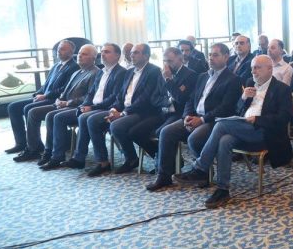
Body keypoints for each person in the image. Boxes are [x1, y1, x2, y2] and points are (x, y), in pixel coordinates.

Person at [172, 55, 293, 208]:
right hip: (243, 128)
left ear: (270, 69)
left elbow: (284, 118)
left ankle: (200, 168)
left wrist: (257, 119)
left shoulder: (282, 89)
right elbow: (237, 110)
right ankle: (223, 189)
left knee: (221, 125)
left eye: (257, 68)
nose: (253, 72)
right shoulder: (250, 83)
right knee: (225, 140)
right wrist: (243, 98)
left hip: (265, 132)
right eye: (252, 68)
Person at [146, 43, 241, 190]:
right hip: (194, 116)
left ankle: (202, 173)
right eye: (210, 55)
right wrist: (187, 116)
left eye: (215, 55)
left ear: (226, 57)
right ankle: (164, 176)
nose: (211, 58)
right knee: (166, 131)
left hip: (214, 121)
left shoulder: (233, 79)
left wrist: (202, 120)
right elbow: (190, 99)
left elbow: (225, 108)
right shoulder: (203, 76)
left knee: (195, 138)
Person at [86, 44, 165, 177]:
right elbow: (120, 96)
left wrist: (122, 113)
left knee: (116, 126)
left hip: (143, 111)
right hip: (125, 109)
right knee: (92, 120)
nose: (131, 55)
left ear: (146, 56)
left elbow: (145, 99)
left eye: (136, 53)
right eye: (131, 53)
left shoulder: (154, 71)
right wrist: (114, 110)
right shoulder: (129, 71)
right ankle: (103, 162)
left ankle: (132, 159)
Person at [59, 43, 127, 170]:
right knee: (82, 115)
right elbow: (91, 93)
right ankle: (79, 159)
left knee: (89, 119)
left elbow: (115, 97)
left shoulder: (121, 73)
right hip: (96, 107)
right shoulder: (101, 72)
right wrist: (85, 105)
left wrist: (92, 108)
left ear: (117, 56)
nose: (103, 54)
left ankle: (102, 161)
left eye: (107, 52)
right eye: (102, 51)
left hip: (110, 108)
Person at [6, 39, 79, 156]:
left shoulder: (74, 67)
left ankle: (34, 147)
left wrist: (45, 95)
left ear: (71, 53)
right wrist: (37, 94)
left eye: (62, 49)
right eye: (58, 48)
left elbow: (65, 89)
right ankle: (21, 143)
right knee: (13, 107)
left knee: (29, 108)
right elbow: (46, 85)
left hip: (55, 99)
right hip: (44, 96)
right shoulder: (56, 66)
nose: (58, 51)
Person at [31, 45, 100, 166]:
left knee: (58, 117)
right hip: (65, 104)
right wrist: (60, 100)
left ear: (93, 57)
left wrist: (68, 103)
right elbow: (65, 91)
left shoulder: (95, 73)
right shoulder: (77, 72)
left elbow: (90, 97)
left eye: (84, 54)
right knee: (48, 115)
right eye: (79, 53)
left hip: (80, 107)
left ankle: (57, 156)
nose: (80, 56)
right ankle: (48, 152)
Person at [132, 46, 199, 159]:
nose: (167, 64)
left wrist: (168, 80)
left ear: (180, 59)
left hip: (178, 114)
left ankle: (165, 161)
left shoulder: (190, 75)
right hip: (163, 111)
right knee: (135, 132)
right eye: (164, 61)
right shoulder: (162, 74)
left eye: (170, 61)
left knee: (161, 132)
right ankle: (159, 156)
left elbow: (181, 99)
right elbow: (154, 98)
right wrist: (168, 102)